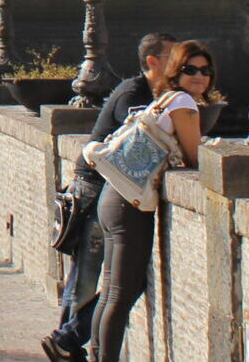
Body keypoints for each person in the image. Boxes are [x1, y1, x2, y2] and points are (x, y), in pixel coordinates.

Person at [41, 33, 172, 362]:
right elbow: (137, 141)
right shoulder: (134, 92)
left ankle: (67, 341)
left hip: (110, 187)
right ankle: (66, 340)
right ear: (153, 62)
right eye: (174, 56)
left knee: (112, 280)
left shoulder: (156, 93)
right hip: (96, 186)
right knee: (89, 273)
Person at [87, 39, 211, 362]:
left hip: (112, 195)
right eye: (191, 70)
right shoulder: (183, 101)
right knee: (121, 294)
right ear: (176, 72)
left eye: (205, 70)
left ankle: (97, 357)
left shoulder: (162, 98)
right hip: (129, 203)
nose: (200, 76)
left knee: (111, 292)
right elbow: (197, 157)